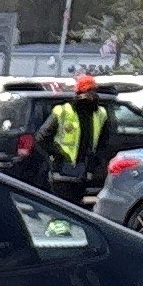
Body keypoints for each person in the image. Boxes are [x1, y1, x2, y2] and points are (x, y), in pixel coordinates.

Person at [42, 71, 112, 200]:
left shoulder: (100, 113)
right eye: (88, 90)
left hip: (83, 170)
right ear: (80, 92)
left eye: (93, 91)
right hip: (62, 169)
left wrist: (95, 162)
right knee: (60, 203)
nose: (91, 95)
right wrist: (56, 154)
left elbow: (103, 142)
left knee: (75, 205)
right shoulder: (63, 111)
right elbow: (42, 138)